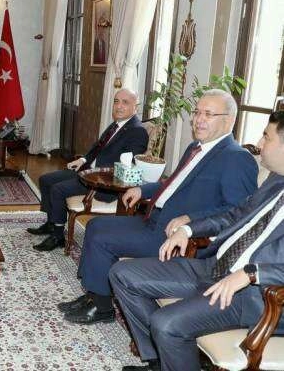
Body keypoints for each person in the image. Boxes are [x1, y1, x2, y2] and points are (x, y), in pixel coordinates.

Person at [60, 89, 258, 325]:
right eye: (197, 112)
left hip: (175, 237)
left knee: (103, 238)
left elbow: (238, 212)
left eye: (208, 114)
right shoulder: (196, 147)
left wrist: (190, 220)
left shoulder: (236, 158)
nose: (198, 119)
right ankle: (95, 294)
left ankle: (102, 308)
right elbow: (173, 183)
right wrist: (143, 190)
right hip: (155, 220)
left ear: (229, 120)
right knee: (96, 226)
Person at [110, 111, 284, 371]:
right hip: (215, 266)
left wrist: (252, 273)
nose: (259, 144)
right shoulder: (276, 179)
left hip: (255, 296)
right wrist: (189, 229)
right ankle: (161, 360)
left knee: (166, 323)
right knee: (122, 273)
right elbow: (234, 215)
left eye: (266, 137)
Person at [29, 89, 149, 251]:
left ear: (136, 107)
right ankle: (52, 223)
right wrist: (83, 160)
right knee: (45, 180)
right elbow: (98, 147)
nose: (119, 106)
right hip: (87, 172)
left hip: (103, 183)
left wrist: (93, 173)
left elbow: (128, 165)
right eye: (116, 101)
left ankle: (58, 236)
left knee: (58, 189)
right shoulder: (117, 124)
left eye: (125, 102)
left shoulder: (138, 131)